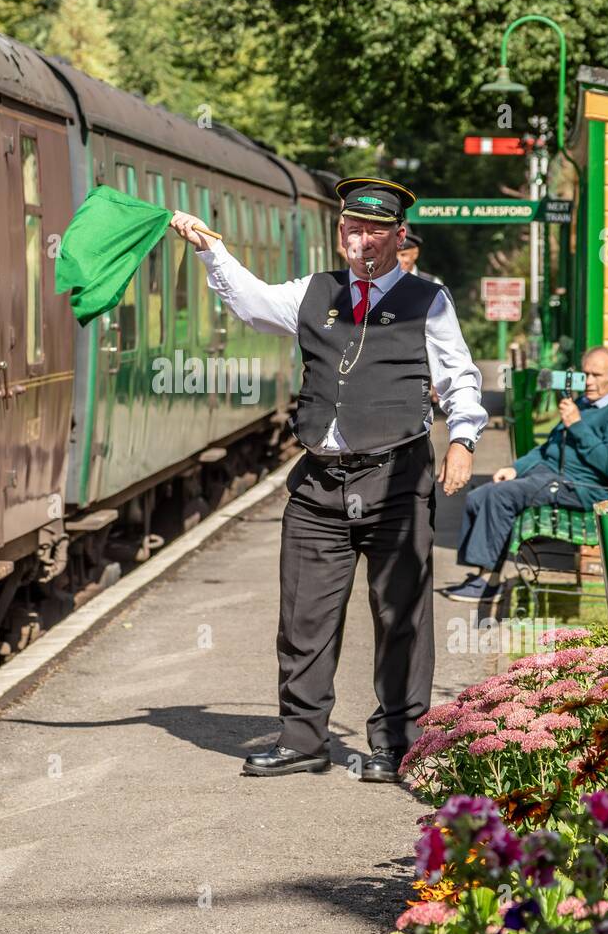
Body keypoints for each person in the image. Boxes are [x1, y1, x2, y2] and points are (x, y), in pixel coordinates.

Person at [170, 178, 487, 782]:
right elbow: (253, 302)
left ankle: (399, 743)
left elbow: (459, 378)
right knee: (304, 617)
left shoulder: (429, 300)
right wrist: (212, 249)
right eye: (349, 228)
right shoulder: (315, 291)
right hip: (319, 481)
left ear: (398, 236)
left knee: (401, 616)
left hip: (396, 477)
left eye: (372, 230)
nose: (358, 239)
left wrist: (463, 441)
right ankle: (303, 738)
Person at [445, 346, 608, 603]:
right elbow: (548, 447)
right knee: (481, 494)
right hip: (552, 474)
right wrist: (516, 468)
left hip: (579, 486)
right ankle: (485, 576)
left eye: (596, 375)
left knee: (502, 497)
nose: (589, 381)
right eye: (586, 374)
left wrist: (577, 425)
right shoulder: (585, 402)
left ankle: (488, 583)